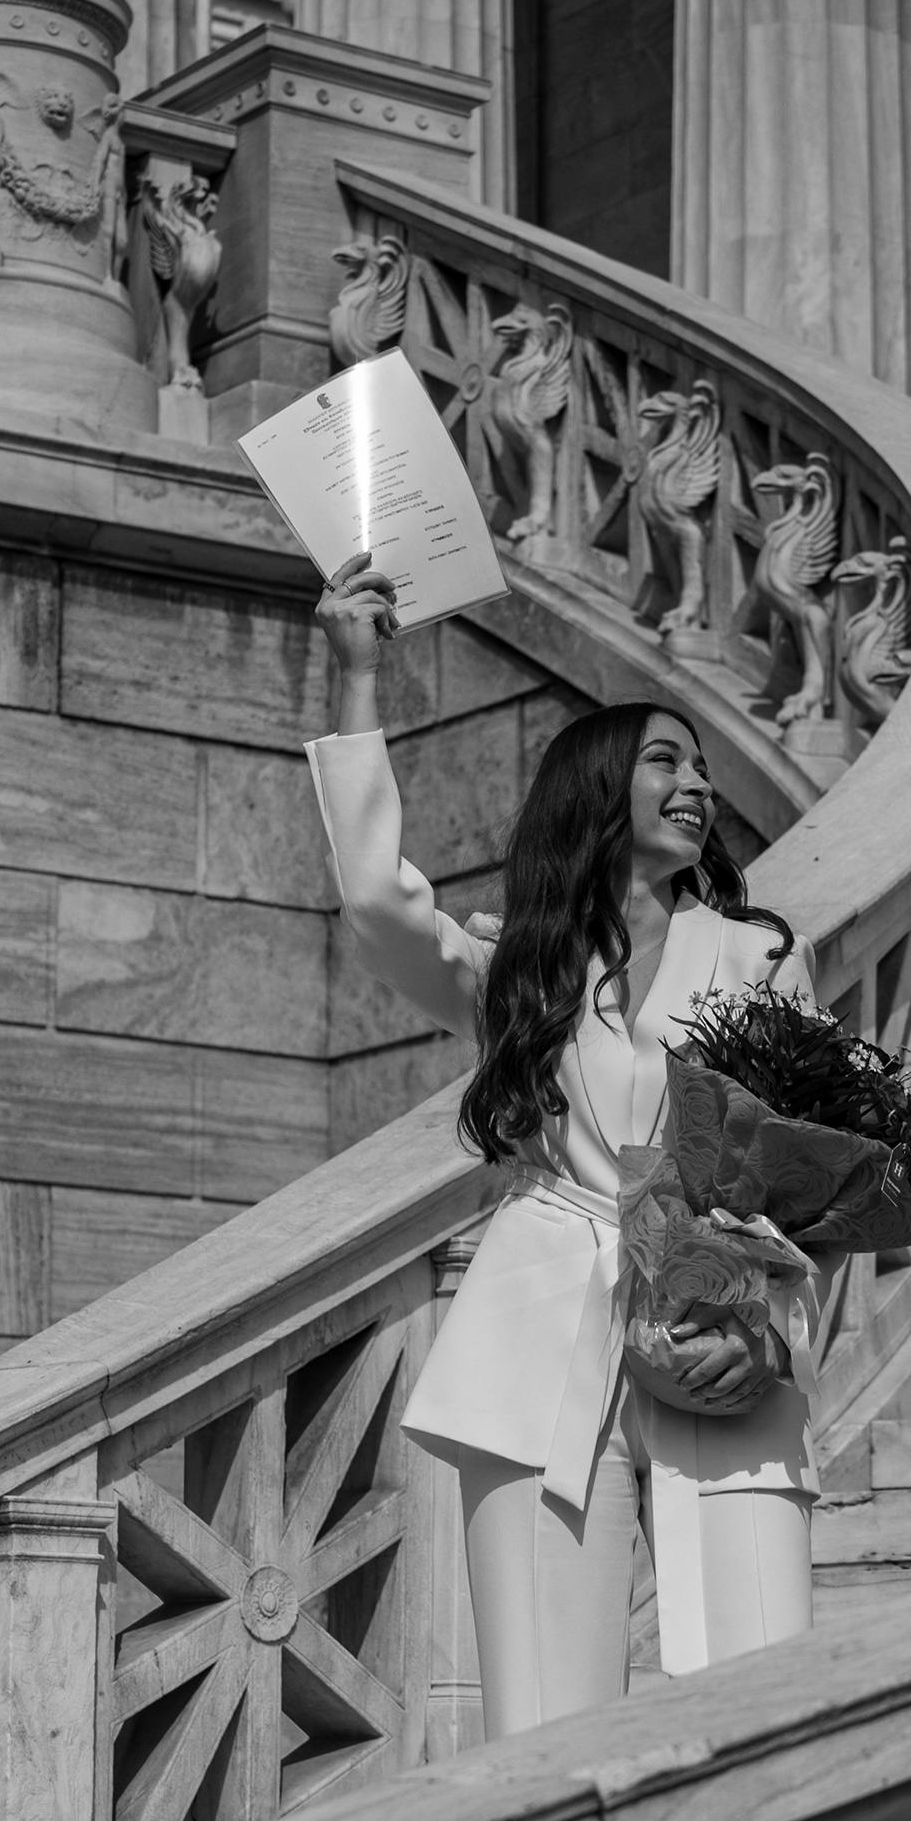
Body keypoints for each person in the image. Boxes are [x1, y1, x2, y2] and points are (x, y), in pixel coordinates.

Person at [306, 557, 823, 1739]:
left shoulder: (762, 959)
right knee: (542, 1731)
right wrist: (358, 674)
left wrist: (764, 1327)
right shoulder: (520, 968)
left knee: (760, 1708)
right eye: (666, 760)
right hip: (539, 1333)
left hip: (721, 1332)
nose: (698, 783)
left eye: (703, 766)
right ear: (597, 791)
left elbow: (814, 1172)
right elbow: (378, 904)